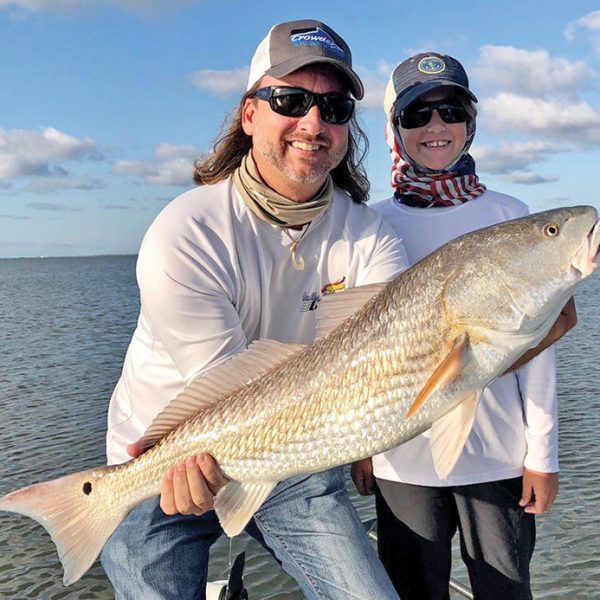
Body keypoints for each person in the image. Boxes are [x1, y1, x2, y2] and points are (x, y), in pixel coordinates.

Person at [100, 19, 407, 600]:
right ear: (249, 115)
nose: (313, 124)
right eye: (290, 100)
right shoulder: (186, 232)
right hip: (161, 464)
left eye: (335, 108)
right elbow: (225, 394)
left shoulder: (371, 237)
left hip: (293, 459)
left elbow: (379, 365)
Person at [351, 52, 577, 600]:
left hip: (498, 456)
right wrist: (362, 446)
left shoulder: (512, 216)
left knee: (504, 589)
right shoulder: (368, 223)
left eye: (451, 111)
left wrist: (540, 457)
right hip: (401, 460)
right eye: (415, 115)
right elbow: (356, 353)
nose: (435, 127)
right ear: (393, 129)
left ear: (471, 124)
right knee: (412, 590)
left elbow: (539, 353)